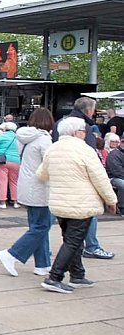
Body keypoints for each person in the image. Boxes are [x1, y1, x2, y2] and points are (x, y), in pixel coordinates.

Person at [36, 117, 118, 293]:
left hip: (59, 201)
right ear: (76, 132)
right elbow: (100, 178)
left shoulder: (53, 148)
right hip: (81, 203)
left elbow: (41, 174)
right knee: (73, 241)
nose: (85, 133)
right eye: (83, 130)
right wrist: (111, 200)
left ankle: (77, 275)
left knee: (71, 239)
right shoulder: (84, 150)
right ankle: (54, 277)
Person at [53, 97, 115, 259]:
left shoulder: (60, 123)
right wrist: (110, 199)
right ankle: (91, 247)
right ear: (88, 110)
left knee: (67, 225)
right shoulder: (83, 127)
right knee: (88, 214)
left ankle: (75, 268)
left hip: (61, 179)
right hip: (80, 180)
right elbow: (91, 160)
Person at [0, 108, 55, 277]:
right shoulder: (44, 140)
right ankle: (12, 254)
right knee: (41, 227)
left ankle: (42, 264)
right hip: (40, 188)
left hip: (27, 185)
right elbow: (49, 165)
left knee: (38, 226)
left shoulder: (22, 137)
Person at [0, 121, 21, 209]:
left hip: (2, 160)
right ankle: (15, 202)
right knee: (14, 182)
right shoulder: (18, 137)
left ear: (4, 129)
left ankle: (3, 202)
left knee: (2, 182)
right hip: (16, 160)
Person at [105, 133, 124, 215]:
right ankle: (122, 207)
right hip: (113, 178)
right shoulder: (114, 154)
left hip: (120, 175)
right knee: (123, 184)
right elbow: (116, 171)